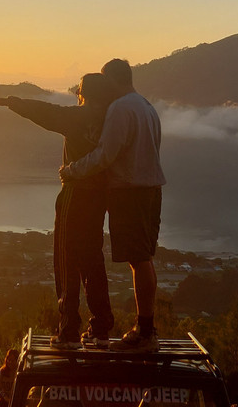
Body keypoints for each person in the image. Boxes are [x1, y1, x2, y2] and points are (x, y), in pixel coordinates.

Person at [0, 73, 116, 350]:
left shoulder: (79, 116)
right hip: (99, 197)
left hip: (74, 192)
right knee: (93, 258)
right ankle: (101, 327)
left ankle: (68, 330)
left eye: (78, 91)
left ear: (84, 93)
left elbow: (44, 112)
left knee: (66, 258)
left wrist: (9, 102)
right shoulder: (111, 120)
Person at [60, 58, 165, 352]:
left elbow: (106, 153)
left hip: (131, 190)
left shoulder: (120, 109)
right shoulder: (146, 106)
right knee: (143, 257)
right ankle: (146, 327)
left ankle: (145, 333)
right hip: (151, 188)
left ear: (112, 80)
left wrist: (72, 170)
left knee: (138, 258)